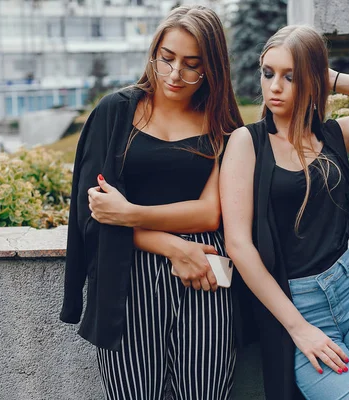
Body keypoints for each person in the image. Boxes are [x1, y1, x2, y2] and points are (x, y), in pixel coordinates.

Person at [220, 25, 349, 400]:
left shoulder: (331, 135)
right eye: (268, 73)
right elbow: (239, 246)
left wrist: (330, 77)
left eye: (291, 76)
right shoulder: (247, 142)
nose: (275, 87)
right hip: (299, 307)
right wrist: (298, 328)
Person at [60, 5, 243, 400]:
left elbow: (210, 212)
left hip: (204, 276)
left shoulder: (223, 127)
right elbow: (92, 214)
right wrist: (173, 246)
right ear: (154, 53)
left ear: (213, 68)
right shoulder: (115, 113)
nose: (176, 74)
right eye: (167, 59)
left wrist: (131, 214)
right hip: (127, 277)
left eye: (192, 64)